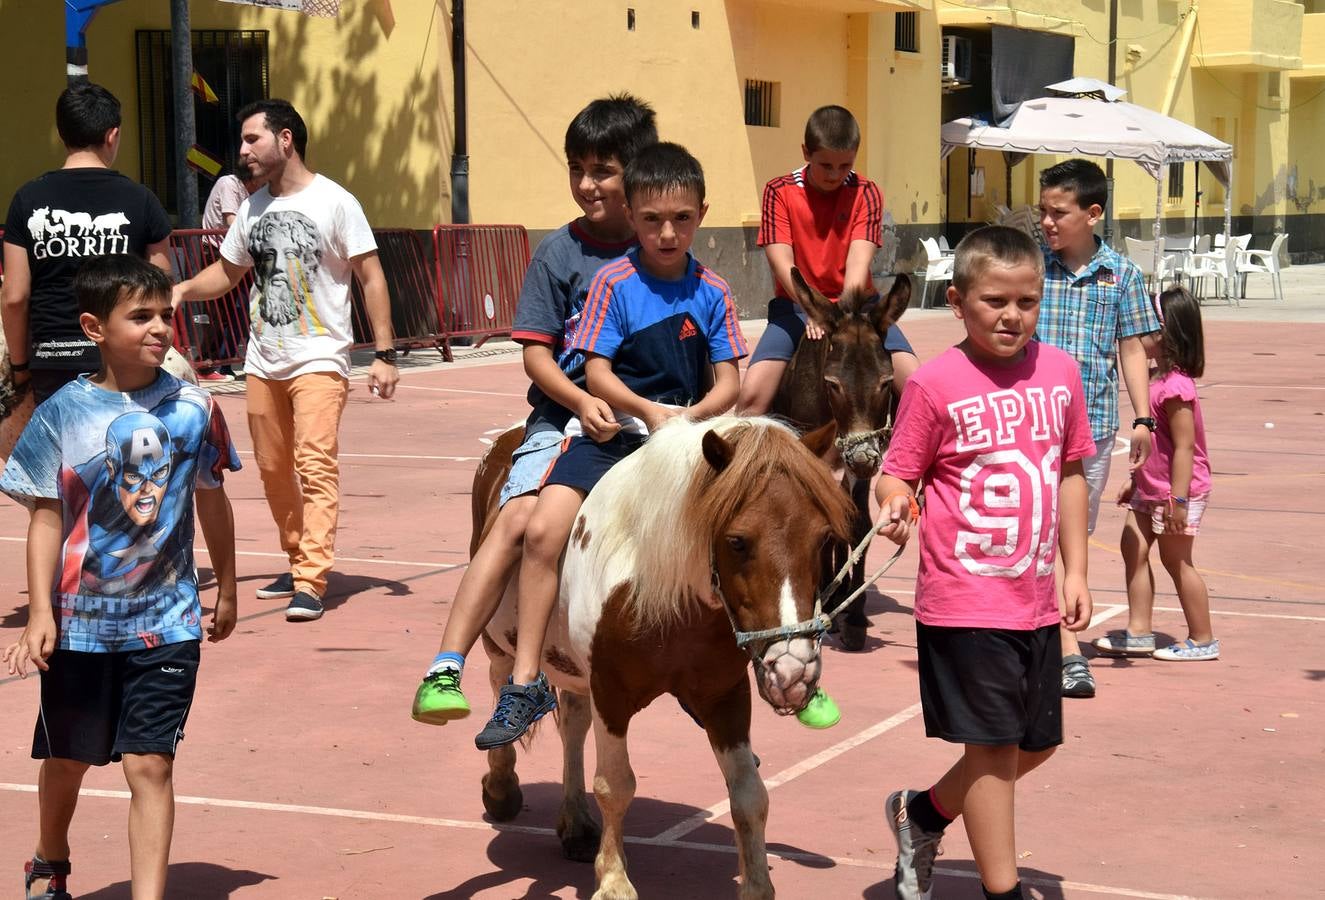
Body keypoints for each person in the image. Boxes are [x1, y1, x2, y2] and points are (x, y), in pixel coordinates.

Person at [474, 141, 747, 750]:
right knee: (543, 529)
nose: (668, 232)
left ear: (703, 212)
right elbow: (596, 374)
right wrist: (648, 412)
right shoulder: (613, 283)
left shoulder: (715, 291)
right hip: (617, 436)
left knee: (752, 525)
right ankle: (523, 680)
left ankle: (772, 658)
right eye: (652, 220)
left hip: (687, 440)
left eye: (682, 219)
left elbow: (730, 381)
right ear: (633, 216)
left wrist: (690, 418)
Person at [411, 94, 656, 725]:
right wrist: (580, 400)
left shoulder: (662, 249)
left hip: (650, 423)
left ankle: (768, 661)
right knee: (517, 517)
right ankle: (447, 663)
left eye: (602, 170)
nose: (586, 184)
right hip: (564, 418)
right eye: (576, 169)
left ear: (639, 170)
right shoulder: (558, 254)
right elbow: (537, 358)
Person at [1, 254, 241, 900]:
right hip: (80, 625)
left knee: (150, 763)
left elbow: (211, 497)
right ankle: (50, 860)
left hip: (167, 621)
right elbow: (46, 518)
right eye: (140, 316)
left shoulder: (193, 407)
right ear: (93, 327)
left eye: (166, 314)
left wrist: (229, 587)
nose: (160, 328)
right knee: (68, 760)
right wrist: (43, 614)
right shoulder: (61, 415)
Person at [872, 226, 1095, 900]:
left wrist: (1075, 572)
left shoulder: (1058, 373)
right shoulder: (936, 383)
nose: (1010, 315)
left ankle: (923, 814)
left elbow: (1071, 472)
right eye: (994, 300)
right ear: (959, 301)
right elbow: (896, 474)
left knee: (1036, 745)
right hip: (963, 598)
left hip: (1035, 603)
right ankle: (1003, 891)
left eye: (1025, 301)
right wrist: (893, 506)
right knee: (993, 753)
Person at [173, 99, 399, 622]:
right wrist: (183, 288)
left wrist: (385, 352)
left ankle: (313, 580)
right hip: (264, 358)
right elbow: (228, 273)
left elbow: (371, 276)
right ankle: (298, 559)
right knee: (274, 470)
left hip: (320, 355)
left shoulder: (337, 202)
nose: (243, 150)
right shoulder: (252, 209)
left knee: (314, 463)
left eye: (253, 139)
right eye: (243, 141)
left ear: (286, 140)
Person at [1036, 158, 1161, 699]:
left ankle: (1059, 639)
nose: (1046, 223)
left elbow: (1133, 347)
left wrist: (1142, 417)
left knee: (1071, 539)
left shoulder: (1122, 274)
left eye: (1057, 213)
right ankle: (1061, 649)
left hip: (1089, 429)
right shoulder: (1028, 266)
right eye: (1042, 211)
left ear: (1092, 214)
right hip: (1026, 424)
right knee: (1029, 532)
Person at [737, 105, 918, 416]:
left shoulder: (867, 192)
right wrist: (813, 310)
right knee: (752, 398)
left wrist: (841, 315)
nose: (835, 175)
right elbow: (782, 261)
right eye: (825, 165)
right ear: (806, 153)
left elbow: (858, 263)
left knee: (917, 384)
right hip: (797, 306)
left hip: (857, 309)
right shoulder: (778, 191)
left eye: (844, 166)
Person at [2, 81, 172, 405]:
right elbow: (162, 284)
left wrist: (20, 366)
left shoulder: (27, 199)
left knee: (61, 454)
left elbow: (14, 297)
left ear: (62, 134)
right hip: (123, 359)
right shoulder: (142, 200)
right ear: (112, 135)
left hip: (52, 359)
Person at [1095, 285, 1218, 661]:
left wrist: (1178, 500)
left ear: (1165, 332)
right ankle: (1139, 630)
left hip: (1177, 491)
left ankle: (1202, 638)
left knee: (1176, 559)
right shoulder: (1151, 378)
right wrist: (1136, 480)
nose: (1134, 334)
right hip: (1151, 489)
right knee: (1132, 546)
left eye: (1143, 326)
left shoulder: (1177, 387)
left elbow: (1183, 447)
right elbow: (1157, 444)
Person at [190, 165, 264, 383]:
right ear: (252, 178)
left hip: (241, 254)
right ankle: (206, 364)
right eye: (262, 180)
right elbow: (232, 221)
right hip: (216, 252)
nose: (264, 184)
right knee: (220, 312)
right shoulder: (229, 184)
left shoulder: (254, 193)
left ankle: (227, 362)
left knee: (243, 310)